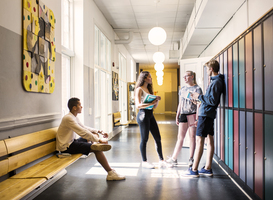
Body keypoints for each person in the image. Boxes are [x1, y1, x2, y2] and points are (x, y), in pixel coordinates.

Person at [56, 97, 125, 181]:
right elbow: (83, 132)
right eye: (80, 105)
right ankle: (110, 173)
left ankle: (93, 147)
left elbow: (84, 128)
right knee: (97, 149)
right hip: (66, 147)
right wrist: (99, 140)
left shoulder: (73, 116)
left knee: (94, 134)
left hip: (71, 142)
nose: (81, 107)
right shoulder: (68, 118)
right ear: (74, 107)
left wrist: (99, 131)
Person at [183, 60, 225, 177]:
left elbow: (212, 101)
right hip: (207, 113)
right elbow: (209, 99)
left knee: (199, 140)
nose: (207, 71)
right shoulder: (216, 81)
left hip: (205, 114)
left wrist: (199, 96)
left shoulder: (216, 82)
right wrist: (198, 100)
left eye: (207, 69)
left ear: (211, 69)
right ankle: (207, 168)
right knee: (210, 139)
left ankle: (194, 169)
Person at [135, 71, 172, 169]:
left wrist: (157, 100)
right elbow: (138, 105)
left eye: (151, 77)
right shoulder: (139, 89)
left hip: (150, 114)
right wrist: (149, 104)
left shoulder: (148, 89)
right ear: (144, 78)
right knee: (144, 139)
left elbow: (154, 107)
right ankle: (144, 161)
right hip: (143, 115)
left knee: (158, 138)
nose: (151, 79)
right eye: (149, 77)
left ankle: (162, 160)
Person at [166, 71, 202, 167]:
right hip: (183, 114)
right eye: (184, 76)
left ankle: (191, 158)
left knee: (192, 137)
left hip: (192, 114)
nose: (184, 78)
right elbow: (180, 103)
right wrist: (177, 115)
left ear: (192, 77)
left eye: (186, 76)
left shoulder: (197, 89)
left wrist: (197, 118)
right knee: (180, 137)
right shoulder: (182, 89)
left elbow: (199, 104)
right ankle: (174, 158)